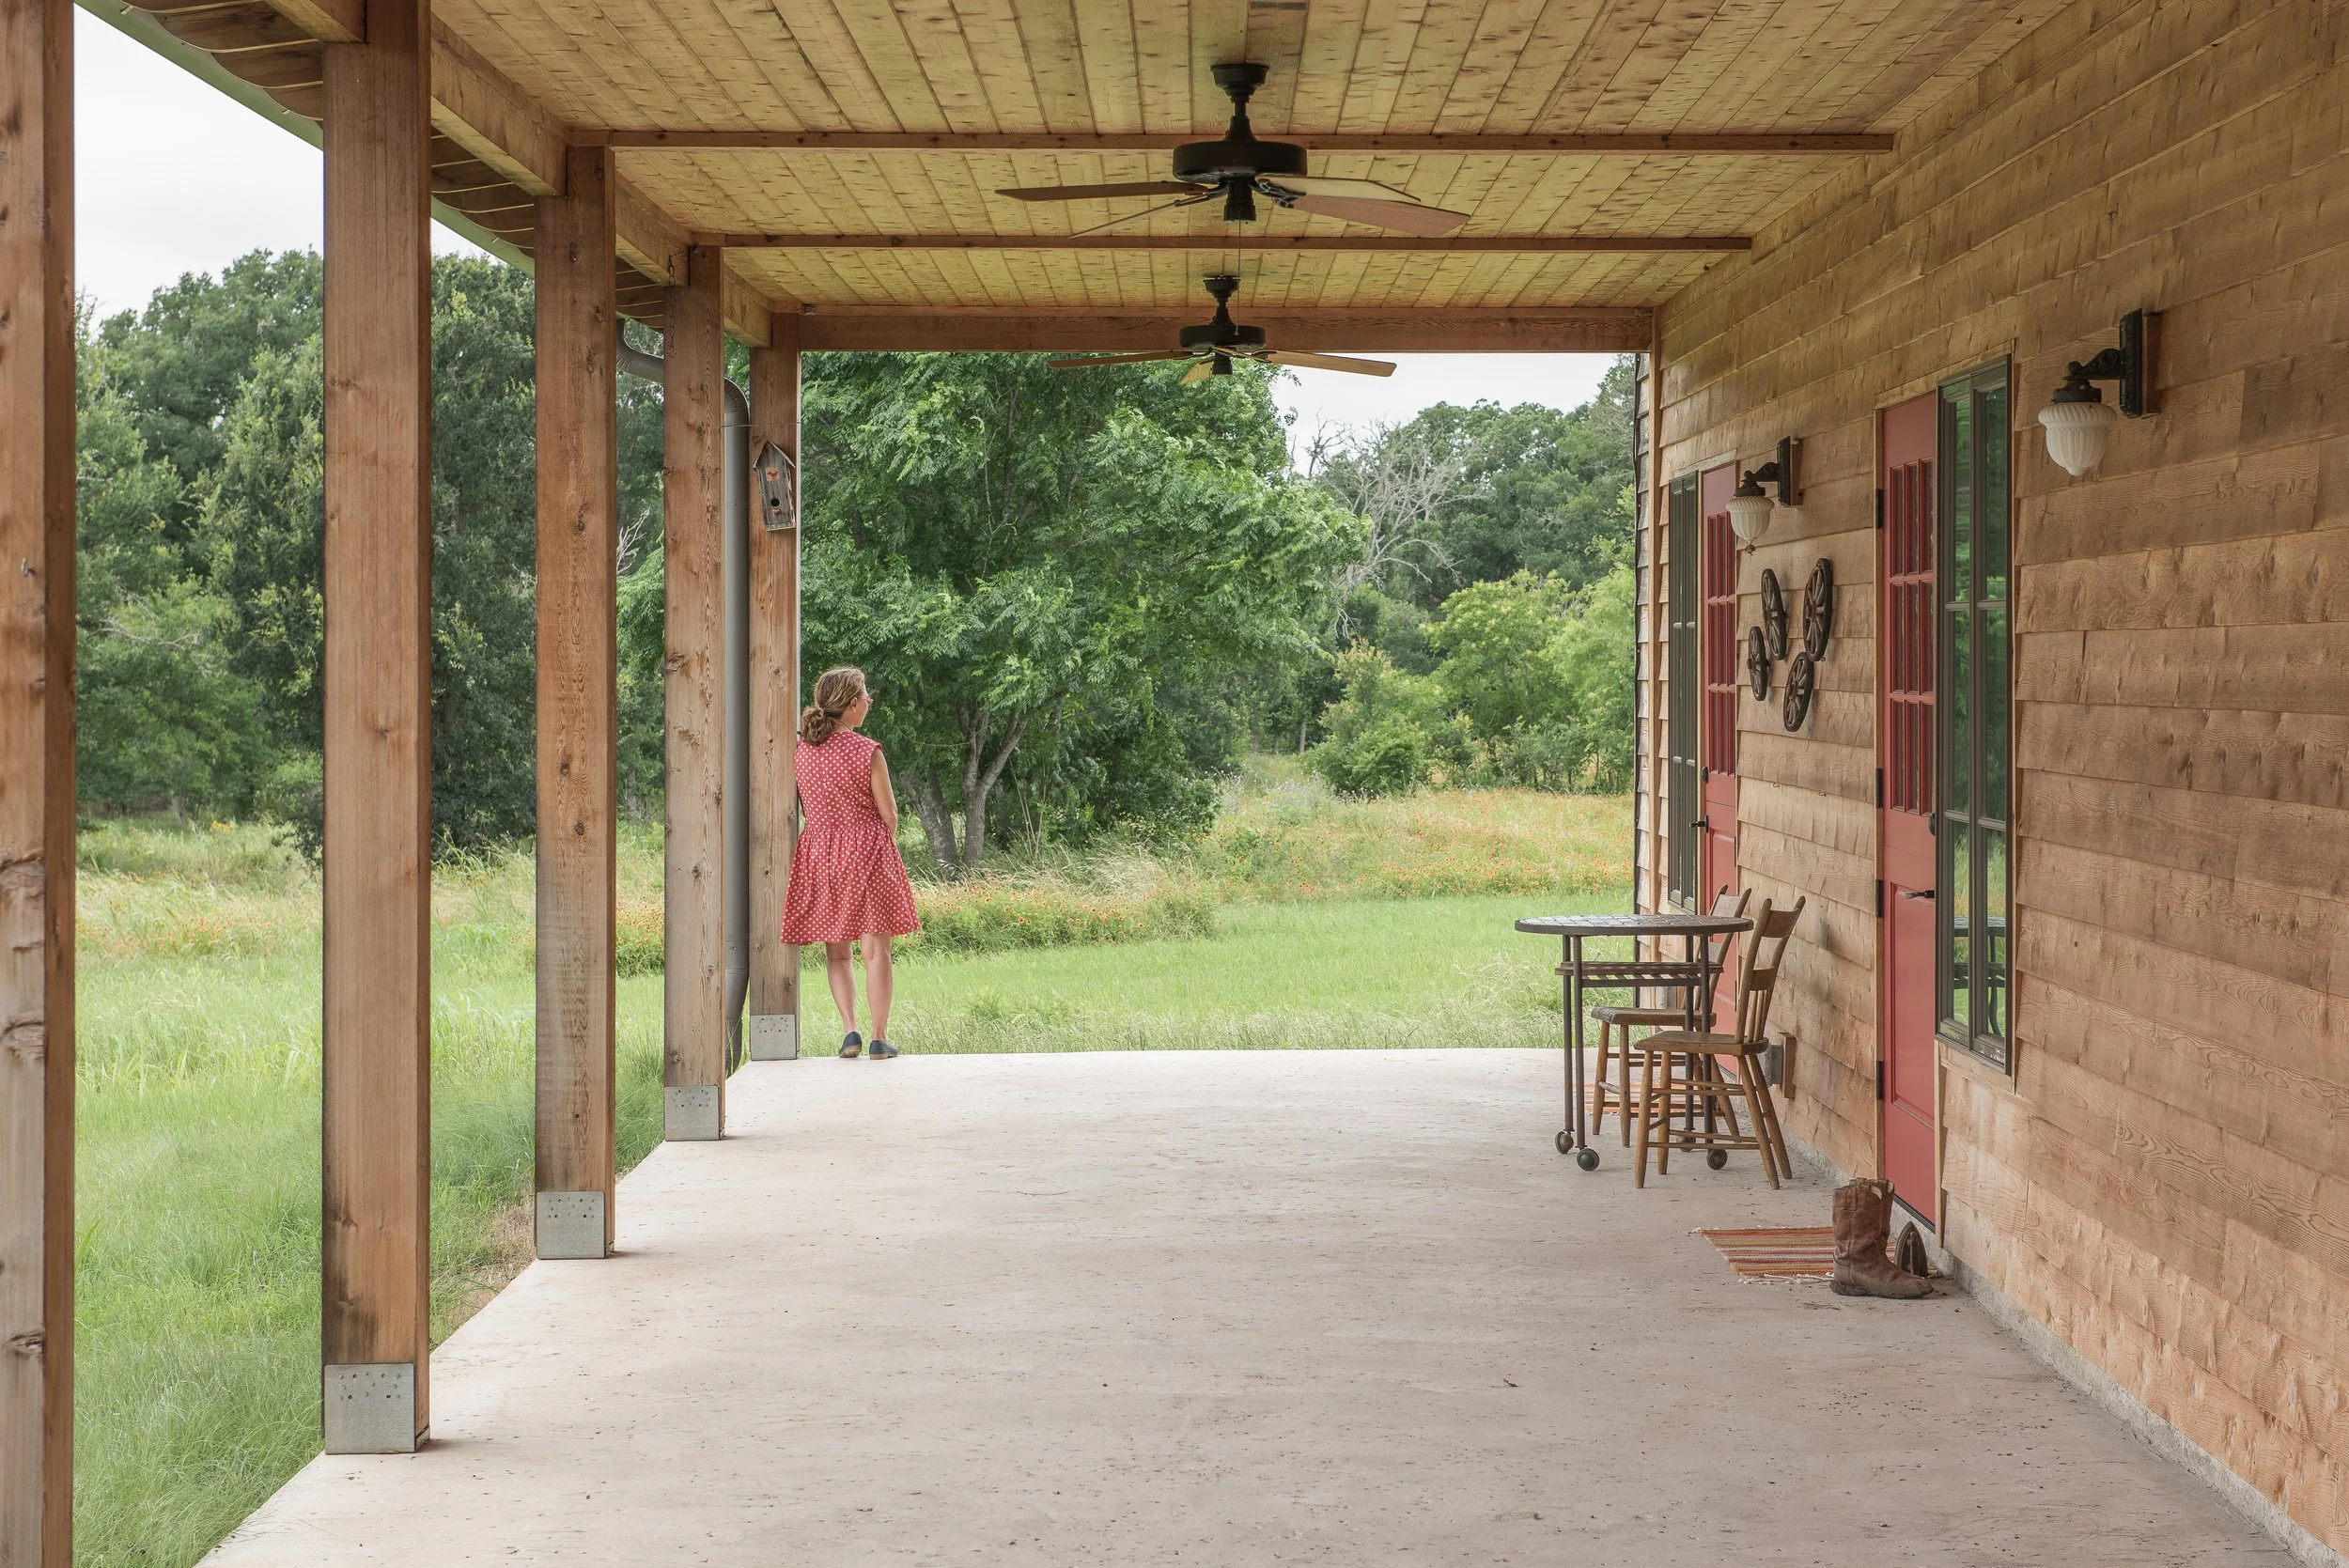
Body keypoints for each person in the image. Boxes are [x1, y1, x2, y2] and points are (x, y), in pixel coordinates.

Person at [779, 666, 921, 1059]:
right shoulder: (866, 750)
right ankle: (878, 1036)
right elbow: (889, 814)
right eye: (865, 696)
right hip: (867, 853)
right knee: (875, 951)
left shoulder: (801, 749)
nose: (869, 702)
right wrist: (873, 837)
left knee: (837, 952)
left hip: (820, 854)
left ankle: (849, 1031)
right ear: (853, 704)